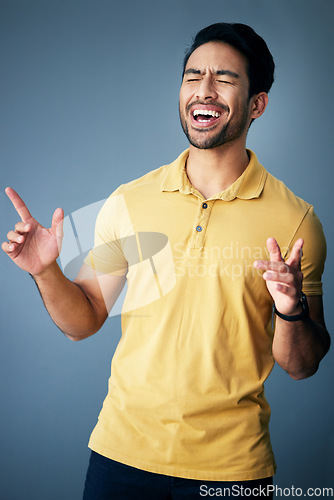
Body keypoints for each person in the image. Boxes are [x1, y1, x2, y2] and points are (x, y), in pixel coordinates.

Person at [2, 22, 330, 500]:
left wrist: (289, 306)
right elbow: (85, 318)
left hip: (234, 470)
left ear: (257, 104)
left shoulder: (296, 221)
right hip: (120, 458)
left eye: (225, 78)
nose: (205, 90)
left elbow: (301, 366)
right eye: (193, 75)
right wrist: (45, 271)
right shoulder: (129, 201)